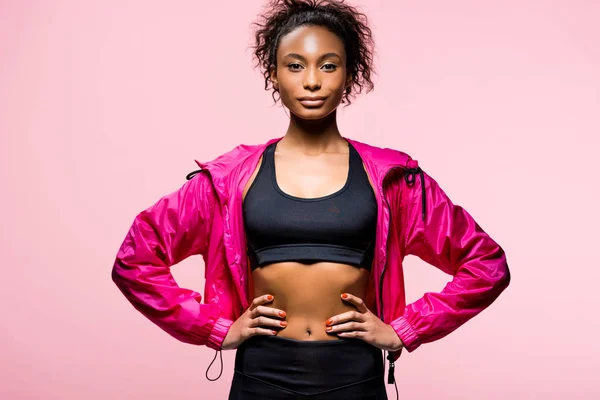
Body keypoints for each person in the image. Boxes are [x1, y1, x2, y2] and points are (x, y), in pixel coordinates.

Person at [111, 0, 511, 399]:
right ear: (274, 73)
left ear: (349, 73)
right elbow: (135, 259)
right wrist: (214, 328)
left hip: (355, 377)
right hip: (260, 376)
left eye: (329, 65)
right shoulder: (228, 179)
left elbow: (485, 264)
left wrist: (405, 330)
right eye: (295, 65)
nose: (312, 82)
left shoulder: (395, 180)